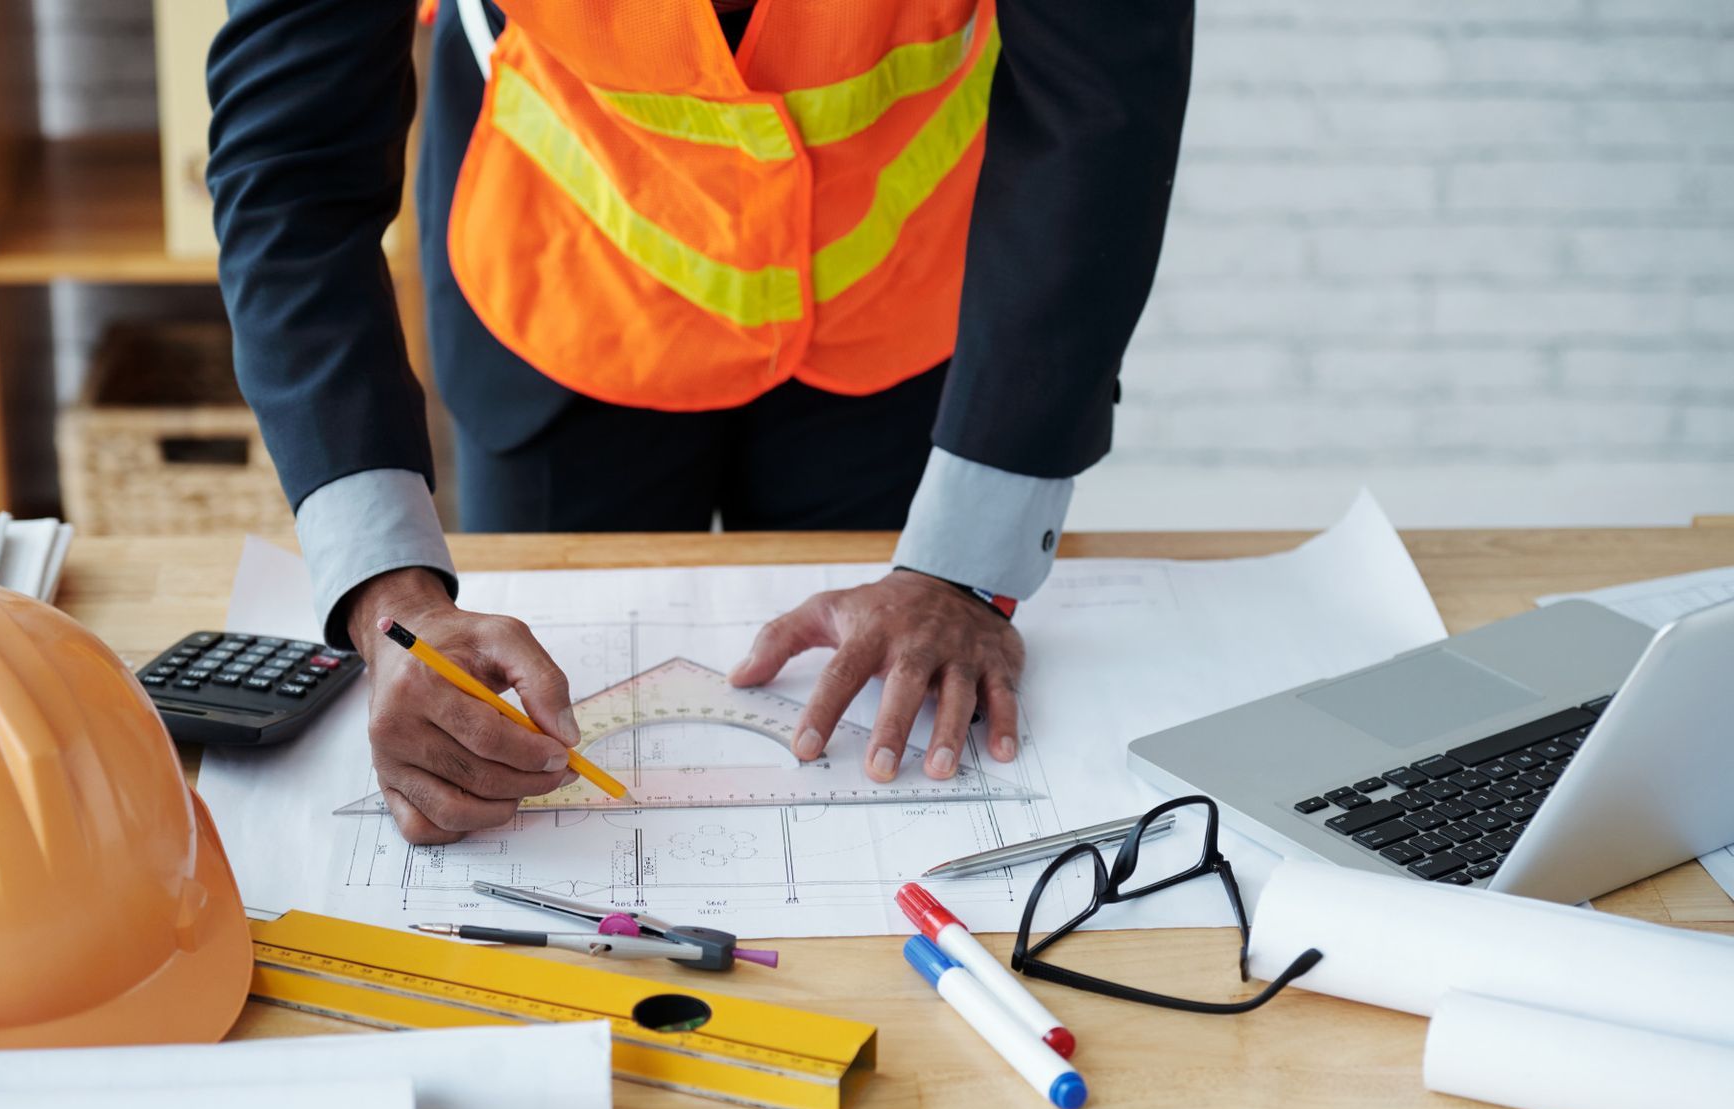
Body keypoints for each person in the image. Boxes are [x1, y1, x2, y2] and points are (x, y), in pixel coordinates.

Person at [207, 0, 1192, 845]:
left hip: (892, 313)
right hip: (567, 297)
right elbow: (294, 159)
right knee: (512, 724)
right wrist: (393, 606)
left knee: (892, 744)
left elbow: (1103, 104)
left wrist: (968, 563)